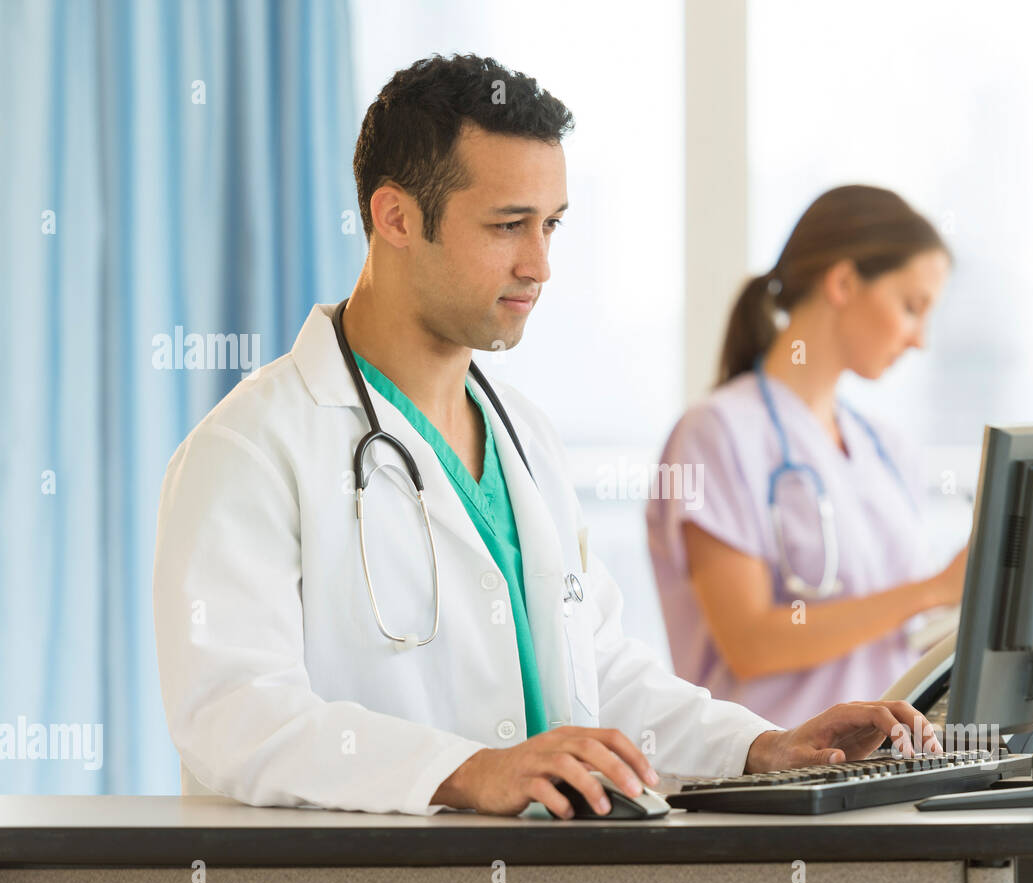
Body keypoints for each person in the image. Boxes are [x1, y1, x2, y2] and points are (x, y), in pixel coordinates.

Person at [152, 55, 941, 820]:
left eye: (552, 225)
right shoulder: (251, 448)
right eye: (508, 226)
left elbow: (599, 671)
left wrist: (757, 746)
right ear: (394, 216)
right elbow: (234, 714)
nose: (540, 264)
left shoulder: (523, 434)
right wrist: (464, 772)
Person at [646, 186, 967, 730]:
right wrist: (933, 589)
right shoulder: (716, 433)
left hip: (882, 771)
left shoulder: (885, 447)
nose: (920, 340)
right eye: (912, 307)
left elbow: (899, 633)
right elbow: (748, 641)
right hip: (766, 785)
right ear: (842, 283)